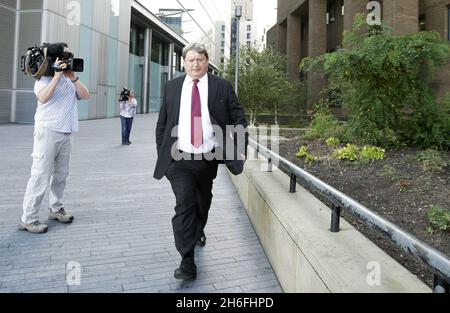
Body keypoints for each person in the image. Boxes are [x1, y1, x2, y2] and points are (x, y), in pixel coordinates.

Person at [154, 43, 248, 281]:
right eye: (191, 60)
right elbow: (163, 123)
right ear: (184, 62)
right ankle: (187, 261)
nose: (195, 64)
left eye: (200, 59)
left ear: (207, 61)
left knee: (202, 201)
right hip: (179, 157)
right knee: (184, 204)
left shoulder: (222, 86)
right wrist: (162, 153)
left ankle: (198, 230)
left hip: (208, 157)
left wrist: (238, 147)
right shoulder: (172, 87)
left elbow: (238, 117)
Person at [19, 43, 90, 234]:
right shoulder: (42, 79)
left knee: (61, 175)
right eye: (63, 58)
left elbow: (85, 94)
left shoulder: (69, 80)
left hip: (67, 132)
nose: (66, 61)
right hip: (47, 132)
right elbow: (43, 97)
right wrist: (57, 76)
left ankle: (56, 209)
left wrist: (72, 77)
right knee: (40, 176)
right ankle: (28, 218)